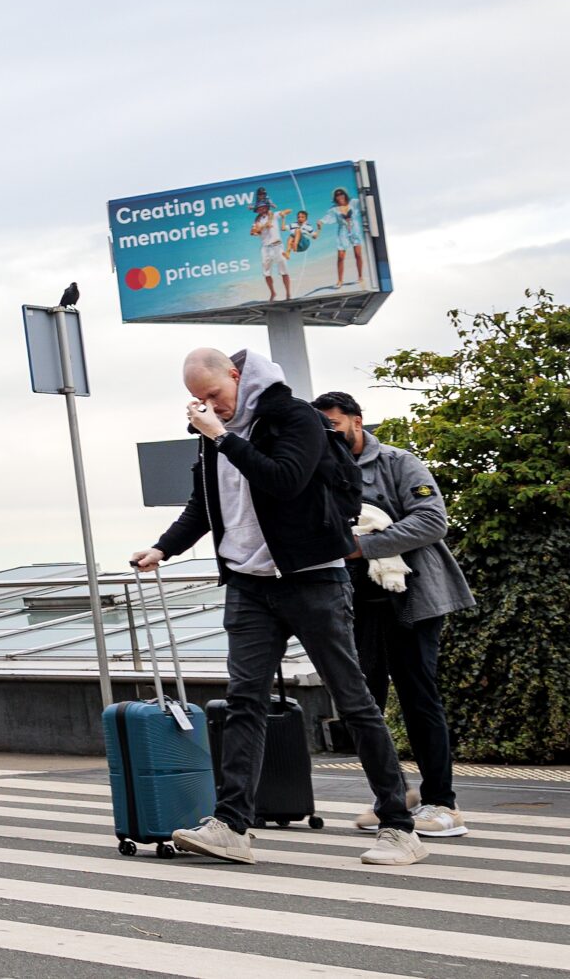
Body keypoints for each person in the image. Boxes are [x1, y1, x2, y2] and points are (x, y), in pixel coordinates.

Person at [132, 348, 423, 866]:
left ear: (237, 377)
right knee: (244, 701)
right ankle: (231, 825)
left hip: (311, 579)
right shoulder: (212, 438)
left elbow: (284, 479)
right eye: (198, 400)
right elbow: (205, 503)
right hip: (248, 584)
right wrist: (163, 548)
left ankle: (399, 826)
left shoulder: (294, 417)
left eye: (215, 395)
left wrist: (222, 438)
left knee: (353, 700)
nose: (210, 407)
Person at [315, 389, 473, 839]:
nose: (331, 435)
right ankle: (394, 795)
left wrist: (360, 545)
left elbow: (431, 521)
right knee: (366, 705)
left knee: (419, 697)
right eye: (323, 430)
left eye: (336, 426)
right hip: (354, 603)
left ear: (357, 422)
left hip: (412, 598)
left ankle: (443, 802)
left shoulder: (400, 462)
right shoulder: (322, 472)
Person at [327, 188, 365, 289]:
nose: (340, 196)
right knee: (340, 257)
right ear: (335, 198)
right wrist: (320, 223)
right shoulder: (333, 209)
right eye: (337, 195)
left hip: (355, 231)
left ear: (345, 195)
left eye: (341, 194)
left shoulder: (353, 203)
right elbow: (327, 218)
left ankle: (360, 276)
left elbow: (364, 199)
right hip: (343, 233)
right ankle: (340, 281)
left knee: (358, 255)